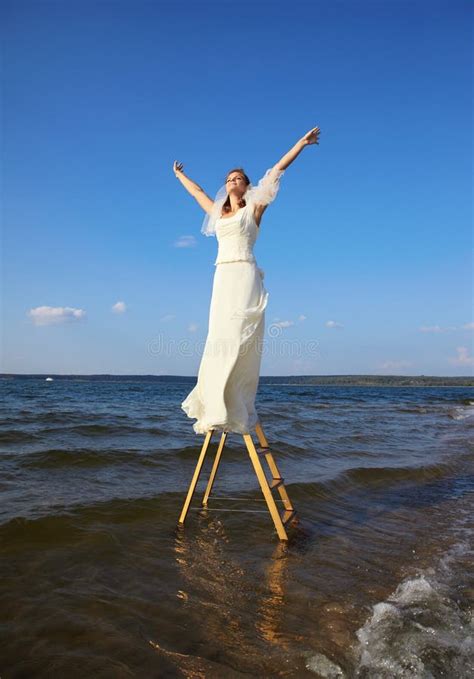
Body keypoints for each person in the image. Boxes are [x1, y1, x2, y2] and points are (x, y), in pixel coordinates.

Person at [174, 126, 321, 435]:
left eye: (238, 178)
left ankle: (237, 401)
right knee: (219, 335)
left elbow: (278, 170)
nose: (232, 182)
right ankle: (215, 402)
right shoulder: (217, 214)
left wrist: (301, 144)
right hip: (222, 275)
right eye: (229, 179)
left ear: (247, 185)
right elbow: (197, 193)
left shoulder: (255, 207)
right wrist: (179, 176)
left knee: (241, 336)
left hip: (244, 273)